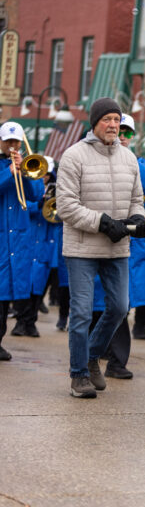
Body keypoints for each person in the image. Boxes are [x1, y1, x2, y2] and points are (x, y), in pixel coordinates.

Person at [56, 97, 145, 398]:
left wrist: (137, 217)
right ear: (95, 123)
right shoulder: (74, 156)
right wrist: (103, 223)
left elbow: (137, 198)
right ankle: (79, 375)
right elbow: (66, 207)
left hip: (117, 247)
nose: (113, 125)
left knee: (120, 307)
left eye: (117, 120)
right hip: (82, 248)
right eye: (107, 119)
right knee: (83, 313)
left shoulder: (129, 158)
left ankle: (91, 356)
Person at [99, 114, 145, 379]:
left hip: (129, 243)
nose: (122, 134)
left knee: (123, 305)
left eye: (128, 132)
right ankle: (96, 352)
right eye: (118, 129)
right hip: (101, 237)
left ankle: (117, 361)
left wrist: (126, 153)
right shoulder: (94, 155)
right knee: (100, 304)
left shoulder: (136, 161)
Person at [0, 122, 45, 361]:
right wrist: (9, 174)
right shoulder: (4, 167)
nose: (13, 146)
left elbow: (37, 194)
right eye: (8, 141)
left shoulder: (26, 164)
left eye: (16, 142)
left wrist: (24, 173)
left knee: (6, 293)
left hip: (17, 237)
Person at [11, 163, 58, 338]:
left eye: (47, 175)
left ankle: (30, 322)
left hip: (45, 246)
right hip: (29, 243)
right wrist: (40, 204)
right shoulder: (27, 188)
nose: (43, 177)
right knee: (26, 286)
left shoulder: (55, 191)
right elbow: (24, 208)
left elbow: (60, 218)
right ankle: (21, 322)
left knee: (39, 288)